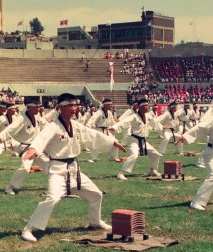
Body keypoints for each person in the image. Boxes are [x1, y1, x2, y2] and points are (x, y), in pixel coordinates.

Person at [19, 93, 126, 243]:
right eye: (70, 105)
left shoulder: (76, 126)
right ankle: (28, 229)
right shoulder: (53, 126)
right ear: (60, 107)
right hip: (57, 170)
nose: (74, 108)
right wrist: (33, 149)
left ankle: (95, 222)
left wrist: (112, 141)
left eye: (75, 105)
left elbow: (92, 135)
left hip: (74, 170)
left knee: (96, 195)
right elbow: (41, 139)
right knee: (53, 198)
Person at [116, 98, 161, 180]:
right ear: (140, 107)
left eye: (147, 106)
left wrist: (161, 128)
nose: (147, 107)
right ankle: (121, 173)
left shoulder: (148, 116)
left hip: (143, 141)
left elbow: (154, 123)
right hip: (133, 140)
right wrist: (114, 127)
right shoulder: (134, 116)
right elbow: (124, 122)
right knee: (134, 155)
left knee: (156, 154)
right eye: (145, 106)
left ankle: (152, 170)